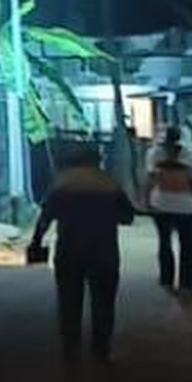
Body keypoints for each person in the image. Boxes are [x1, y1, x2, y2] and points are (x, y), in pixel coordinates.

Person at [27, 144, 136, 364]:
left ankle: (70, 350)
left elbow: (45, 217)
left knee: (69, 302)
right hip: (103, 250)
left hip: (69, 250)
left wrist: (36, 241)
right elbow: (127, 217)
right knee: (103, 302)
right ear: (97, 161)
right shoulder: (108, 183)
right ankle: (101, 351)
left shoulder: (62, 184)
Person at [143, 126, 192, 294]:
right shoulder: (191, 154)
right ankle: (186, 284)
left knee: (164, 242)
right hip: (186, 205)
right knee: (188, 245)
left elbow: (150, 180)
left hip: (161, 203)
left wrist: (146, 201)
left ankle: (166, 280)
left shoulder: (154, 153)